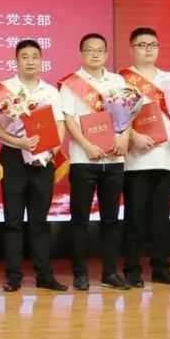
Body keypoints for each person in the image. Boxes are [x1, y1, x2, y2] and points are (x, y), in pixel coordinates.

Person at [0, 39, 68, 292]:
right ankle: (13, 276)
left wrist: (51, 151)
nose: (30, 61)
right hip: (13, 157)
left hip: (43, 159)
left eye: (35, 56)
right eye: (25, 57)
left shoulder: (51, 92)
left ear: (41, 60)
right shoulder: (4, 90)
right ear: (16, 60)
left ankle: (44, 275)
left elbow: (59, 125)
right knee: (13, 219)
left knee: (39, 221)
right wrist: (19, 142)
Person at [58, 33, 131, 291]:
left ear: (106, 54)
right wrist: (87, 145)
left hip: (114, 158)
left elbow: (127, 114)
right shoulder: (70, 83)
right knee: (80, 220)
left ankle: (110, 273)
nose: (95, 54)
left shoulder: (118, 81)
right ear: (81, 54)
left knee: (111, 219)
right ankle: (80, 274)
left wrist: (124, 137)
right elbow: (68, 119)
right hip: (84, 159)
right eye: (89, 50)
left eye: (100, 50)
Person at [120, 27, 170, 287]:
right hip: (136, 158)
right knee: (135, 217)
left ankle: (161, 268)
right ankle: (132, 269)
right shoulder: (122, 79)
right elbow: (117, 117)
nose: (148, 49)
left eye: (153, 45)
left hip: (165, 155)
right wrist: (134, 136)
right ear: (131, 49)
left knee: (161, 218)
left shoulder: (168, 79)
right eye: (142, 45)